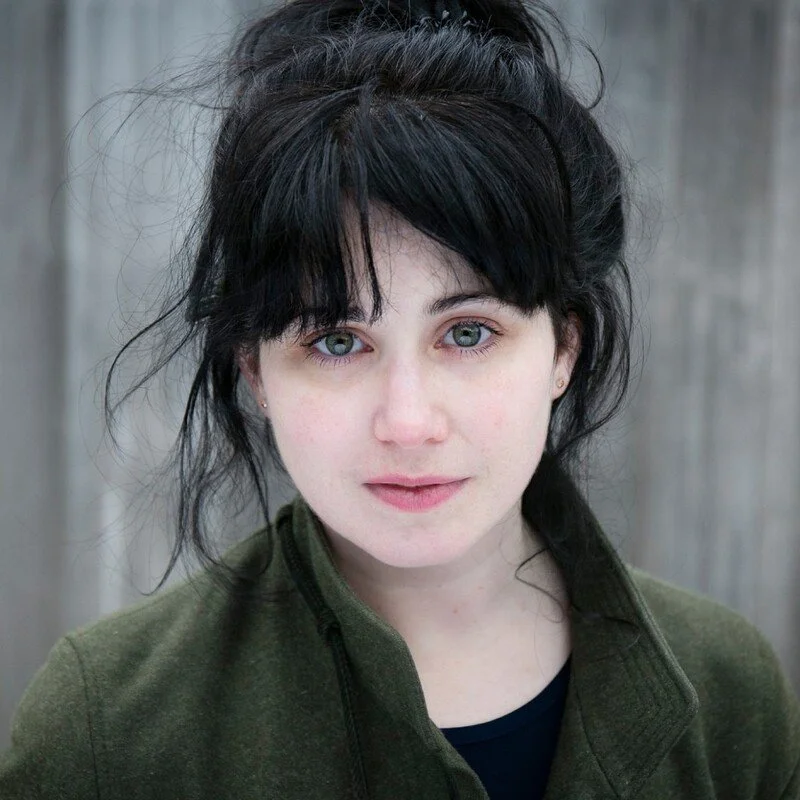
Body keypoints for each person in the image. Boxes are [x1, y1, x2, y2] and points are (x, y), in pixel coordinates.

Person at [2, 0, 799, 798]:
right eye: (338, 341)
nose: (408, 423)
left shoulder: (728, 692)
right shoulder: (106, 732)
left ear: (564, 347)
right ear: (254, 369)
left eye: (468, 334)